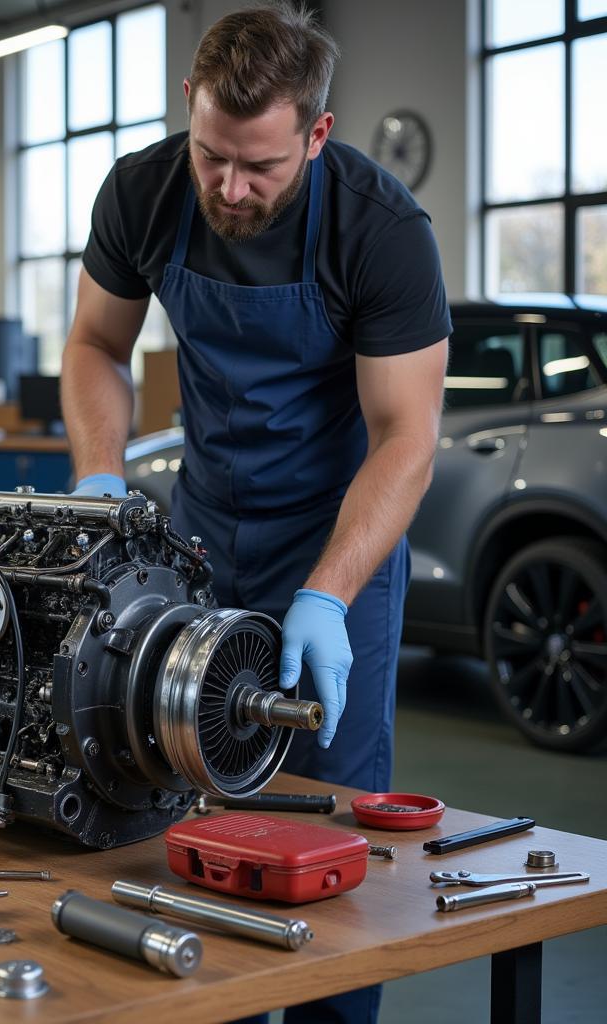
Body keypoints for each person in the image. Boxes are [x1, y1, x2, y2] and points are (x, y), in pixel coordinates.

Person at [61, 4, 449, 1021]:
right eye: (211, 156)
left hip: (335, 550)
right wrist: (102, 473)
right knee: (175, 803)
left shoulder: (381, 228)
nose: (229, 188)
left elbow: (404, 437)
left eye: (260, 167)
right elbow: (94, 345)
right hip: (197, 536)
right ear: (187, 106)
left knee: (326, 831)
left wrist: (324, 594)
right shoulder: (146, 191)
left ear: (316, 135)